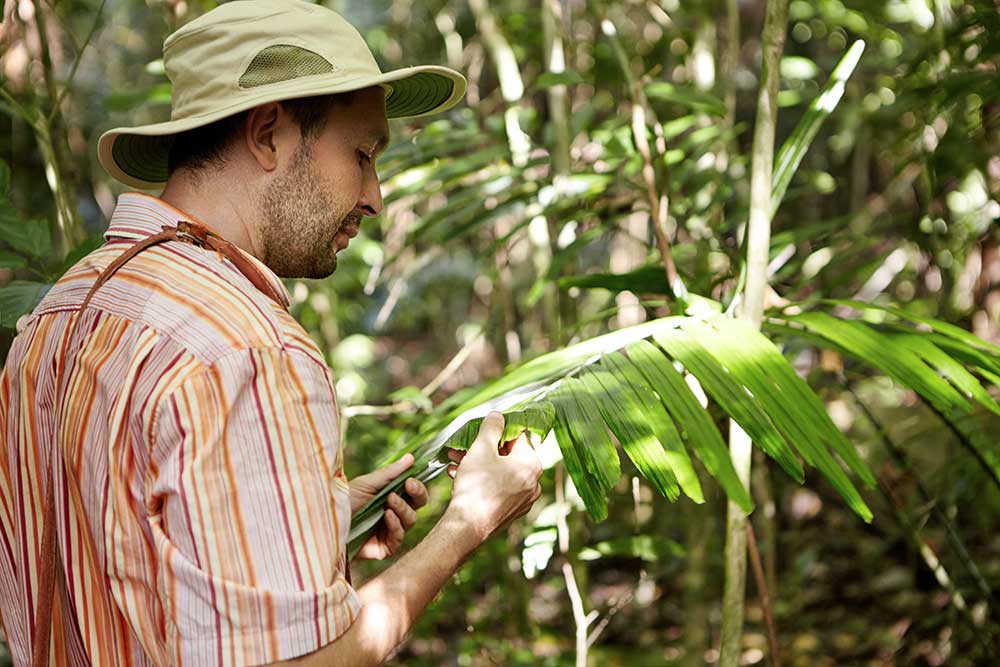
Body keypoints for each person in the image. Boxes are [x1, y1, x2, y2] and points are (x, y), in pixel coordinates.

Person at [0, 1, 543, 665]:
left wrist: (315, 514)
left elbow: (124, 554)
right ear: (267, 134)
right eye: (363, 153)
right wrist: (469, 522)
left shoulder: (61, 312)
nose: (375, 196)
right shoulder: (246, 349)